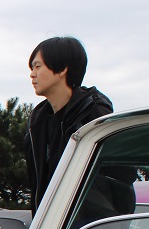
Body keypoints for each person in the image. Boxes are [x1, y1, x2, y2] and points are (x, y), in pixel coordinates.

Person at [24, 36, 113, 215]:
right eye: (32, 68)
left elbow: (115, 174)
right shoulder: (36, 122)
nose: (32, 74)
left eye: (38, 66)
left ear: (62, 68)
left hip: (88, 223)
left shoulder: (93, 112)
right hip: (52, 222)